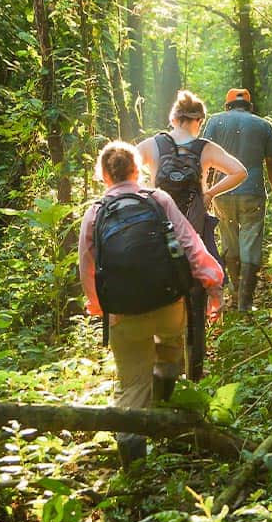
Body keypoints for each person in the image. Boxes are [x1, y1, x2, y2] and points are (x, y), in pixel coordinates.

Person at [79, 140, 223, 467]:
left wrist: (100, 307)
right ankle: (165, 408)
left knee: (132, 386)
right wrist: (214, 284)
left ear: (104, 175)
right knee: (172, 347)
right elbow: (191, 244)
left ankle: (133, 464)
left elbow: (86, 267)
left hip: (124, 316)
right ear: (138, 170)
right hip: (169, 305)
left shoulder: (95, 212)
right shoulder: (158, 199)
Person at [136, 90, 247, 376]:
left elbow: (124, 174)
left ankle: (159, 370)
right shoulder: (205, 148)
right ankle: (195, 372)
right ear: (200, 120)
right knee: (196, 303)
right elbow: (239, 171)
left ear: (173, 118)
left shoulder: (152, 145)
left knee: (157, 302)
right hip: (194, 238)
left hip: (156, 241)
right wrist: (209, 192)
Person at [203, 87, 272, 312]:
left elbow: (205, 160)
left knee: (229, 239)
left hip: (223, 192)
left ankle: (235, 292)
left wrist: (206, 192)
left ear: (227, 105)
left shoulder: (215, 121)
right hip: (253, 192)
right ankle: (246, 302)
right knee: (251, 241)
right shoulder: (263, 125)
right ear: (250, 106)